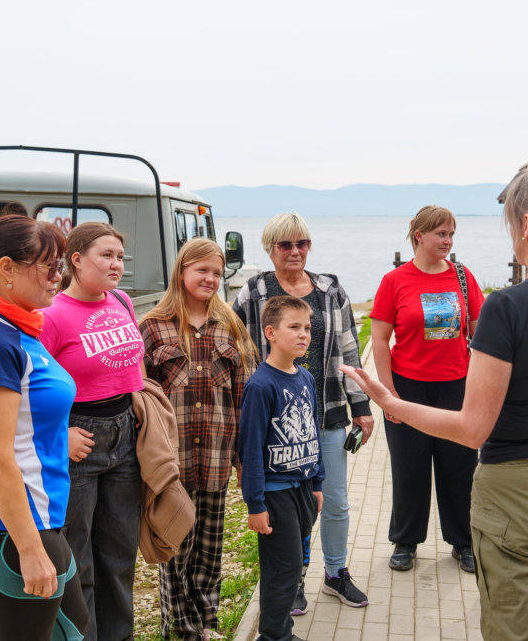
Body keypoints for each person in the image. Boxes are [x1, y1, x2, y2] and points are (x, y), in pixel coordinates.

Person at [341, 159, 528, 640]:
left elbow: (473, 429)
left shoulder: (509, 305)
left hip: (518, 489)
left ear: (527, 224)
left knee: (515, 625)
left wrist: (388, 402)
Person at [0, 214, 87, 640]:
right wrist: (29, 550)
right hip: (8, 530)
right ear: (6, 268)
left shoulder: (20, 329)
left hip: (40, 521)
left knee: (75, 630)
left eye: (60, 266)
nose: (58, 277)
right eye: (48, 267)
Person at [232, 212, 371, 612]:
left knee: (333, 501)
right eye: (285, 245)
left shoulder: (330, 289)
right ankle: (292, 578)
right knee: (289, 507)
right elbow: (238, 346)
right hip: (277, 422)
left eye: (302, 244)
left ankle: (335, 573)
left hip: (326, 411)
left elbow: (348, 349)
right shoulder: (254, 291)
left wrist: (360, 405)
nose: (295, 251)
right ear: (270, 249)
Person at [140, 239, 257, 641]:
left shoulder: (231, 326)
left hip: (216, 458)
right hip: (170, 463)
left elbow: (244, 397)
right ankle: (181, 627)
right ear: (182, 271)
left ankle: (205, 622)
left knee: (208, 547)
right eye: (201, 270)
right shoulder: (152, 326)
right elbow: (142, 401)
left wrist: (244, 461)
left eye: (216, 272)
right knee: (174, 548)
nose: (210, 278)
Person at [39, 222, 145, 641]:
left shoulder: (121, 301)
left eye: (120, 256)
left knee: (119, 555)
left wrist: (137, 406)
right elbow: (30, 389)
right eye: (107, 255)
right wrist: (59, 433)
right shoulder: (51, 317)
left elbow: (131, 363)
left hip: (124, 437)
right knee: (78, 559)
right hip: (79, 439)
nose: (116, 264)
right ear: (76, 260)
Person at [369, 205, 485, 573]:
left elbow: (481, 332)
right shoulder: (395, 281)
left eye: (451, 234)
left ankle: (464, 542)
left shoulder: (463, 277)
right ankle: (406, 541)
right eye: (441, 234)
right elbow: (378, 340)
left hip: (456, 388)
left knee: (460, 468)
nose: (448, 241)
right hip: (408, 388)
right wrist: (387, 394)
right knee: (410, 468)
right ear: (418, 235)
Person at [238, 296, 325, 641]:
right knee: (282, 568)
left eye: (307, 328)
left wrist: (318, 481)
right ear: (271, 332)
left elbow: (313, 432)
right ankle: (273, 636)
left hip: (304, 489)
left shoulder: (305, 377)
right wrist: (255, 505)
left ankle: (279, 633)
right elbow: (251, 449)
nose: (304, 335)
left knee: (295, 564)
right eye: (294, 327)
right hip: (275, 494)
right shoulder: (261, 385)